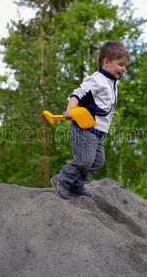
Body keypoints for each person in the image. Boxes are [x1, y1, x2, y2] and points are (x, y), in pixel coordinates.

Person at [51, 41, 129, 199]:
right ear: (106, 62)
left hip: (97, 132)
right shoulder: (97, 79)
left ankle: (76, 184)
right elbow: (78, 93)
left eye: (125, 66)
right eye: (120, 64)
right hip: (84, 127)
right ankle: (62, 180)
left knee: (98, 161)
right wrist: (71, 109)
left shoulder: (111, 83)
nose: (123, 69)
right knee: (84, 160)